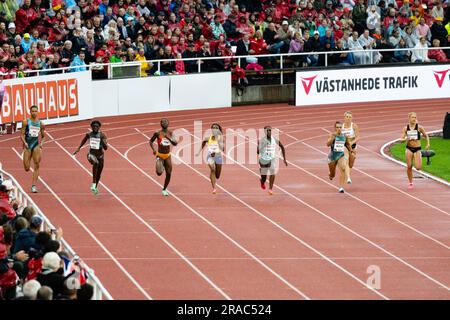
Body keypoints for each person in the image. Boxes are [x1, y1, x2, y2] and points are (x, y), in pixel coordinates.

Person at [73, 120, 108, 195]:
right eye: (94, 126)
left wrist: (102, 141)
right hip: (91, 155)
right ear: (91, 127)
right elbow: (83, 140)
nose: (95, 127)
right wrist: (78, 148)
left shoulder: (102, 135)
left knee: (99, 174)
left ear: (99, 127)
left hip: (100, 156)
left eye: (97, 126)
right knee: (96, 163)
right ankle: (93, 182)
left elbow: (106, 148)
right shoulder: (89, 134)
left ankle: (94, 187)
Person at [400, 112, 430, 190]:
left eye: (415, 117)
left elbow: (426, 135)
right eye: (413, 117)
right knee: (409, 166)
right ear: (409, 118)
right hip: (409, 148)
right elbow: (401, 140)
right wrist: (406, 139)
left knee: (418, 168)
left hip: (417, 148)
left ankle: (421, 154)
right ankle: (410, 183)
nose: (414, 119)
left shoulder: (419, 127)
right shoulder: (405, 128)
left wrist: (428, 144)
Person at [149, 118, 178, 196]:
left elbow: (175, 144)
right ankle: (160, 164)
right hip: (160, 155)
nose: (164, 123)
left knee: (169, 173)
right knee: (159, 173)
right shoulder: (157, 133)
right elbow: (151, 141)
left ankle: (164, 189)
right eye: (163, 122)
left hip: (167, 155)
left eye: (166, 121)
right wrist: (153, 149)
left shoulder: (171, 133)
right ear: (160, 124)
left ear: (168, 123)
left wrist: (168, 138)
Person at [21, 105, 46, 193]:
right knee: (27, 168)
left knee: (37, 165)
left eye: (36, 111)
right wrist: (25, 142)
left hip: (36, 145)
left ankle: (34, 186)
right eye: (33, 111)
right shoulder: (25, 122)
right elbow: (22, 134)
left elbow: (43, 137)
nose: (34, 113)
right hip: (28, 146)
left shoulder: (41, 124)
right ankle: (28, 157)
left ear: (37, 112)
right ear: (30, 112)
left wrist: (41, 144)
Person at [257, 126, 287, 195]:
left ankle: (270, 189)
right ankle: (262, 181)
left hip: (272, 159)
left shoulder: (275, 140)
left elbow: (282, 146)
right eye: (267, 131)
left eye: (270, 130)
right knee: (264, 178)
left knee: (273, 172)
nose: (269, 132)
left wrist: (284, 159)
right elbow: (258, 152)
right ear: (264, 132)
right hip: (263, 160)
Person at [196, 123, 224, 194]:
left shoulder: (221, 138)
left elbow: (223, 149)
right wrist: (199, 152)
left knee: (217, 175)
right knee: (212, 169)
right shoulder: (208, 138)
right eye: (213, 127)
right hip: (210, 156)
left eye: (216, 128)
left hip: (218, 157)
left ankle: (215, 179)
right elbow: (203, 143)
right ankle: (214, 188)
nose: (214, 128)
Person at [327, 122, 353, 193]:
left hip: (341, 154)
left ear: (342, 128)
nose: (339, 129)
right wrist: (333, 138)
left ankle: (341, 187)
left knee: (343, 168)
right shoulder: (332, 135)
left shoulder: (344, 136)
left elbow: (347, 144)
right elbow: (328, 144)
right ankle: (331, 174)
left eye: (340, 127)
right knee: (332, 175)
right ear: (335, 128)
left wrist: (351, 150)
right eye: (337, 127)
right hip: (333, 155)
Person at [341, 111, 360, 184]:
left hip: (353, 146)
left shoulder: (354, 126)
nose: (348, 118)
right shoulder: (341, 127)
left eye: (350, 117)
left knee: (350, 165)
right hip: (345, 146)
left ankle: (352, 158)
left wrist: (351, 142)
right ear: (344, 117)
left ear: (352, 118)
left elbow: (358, 137)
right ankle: (348, 178)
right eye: (347, 117)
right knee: (345, 160)